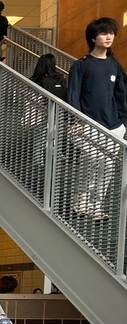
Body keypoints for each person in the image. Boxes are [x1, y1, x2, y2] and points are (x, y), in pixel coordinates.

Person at [67, 17, 127, 220]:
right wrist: (76, 120)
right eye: (103, 33)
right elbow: (73, 95)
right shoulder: (81, 65)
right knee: (94, 161)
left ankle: (95, 206)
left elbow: (121, 96)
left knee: (107, 167)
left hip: (114, 126)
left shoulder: (115, 66)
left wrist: (124, 123)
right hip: (87, 125)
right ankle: (81, 202)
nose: (109, 36)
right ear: (93, 37)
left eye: (111, 32)